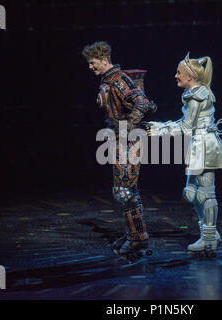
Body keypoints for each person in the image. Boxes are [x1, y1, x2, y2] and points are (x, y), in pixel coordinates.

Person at [146, 52, 222, 255]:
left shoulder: (196, 95)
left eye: (179, 73)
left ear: (190, 77)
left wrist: (157, 130)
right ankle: (211, 232)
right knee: (190, 193)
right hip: (198, 145)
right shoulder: (197, 93)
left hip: (205, 145)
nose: (176, 76)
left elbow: (186, 127)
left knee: (206, 193)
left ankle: (208, 238)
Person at [82, 41, 156, 257]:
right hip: (120, 138)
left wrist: (128, 128)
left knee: (123, 191)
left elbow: (142, 103)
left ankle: (138, 238)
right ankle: (135, 234)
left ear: (105, 60)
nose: (90, 67)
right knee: (127, 190)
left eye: (93, 63)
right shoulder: (109, 80)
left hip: (128, 140)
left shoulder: (118, 80)